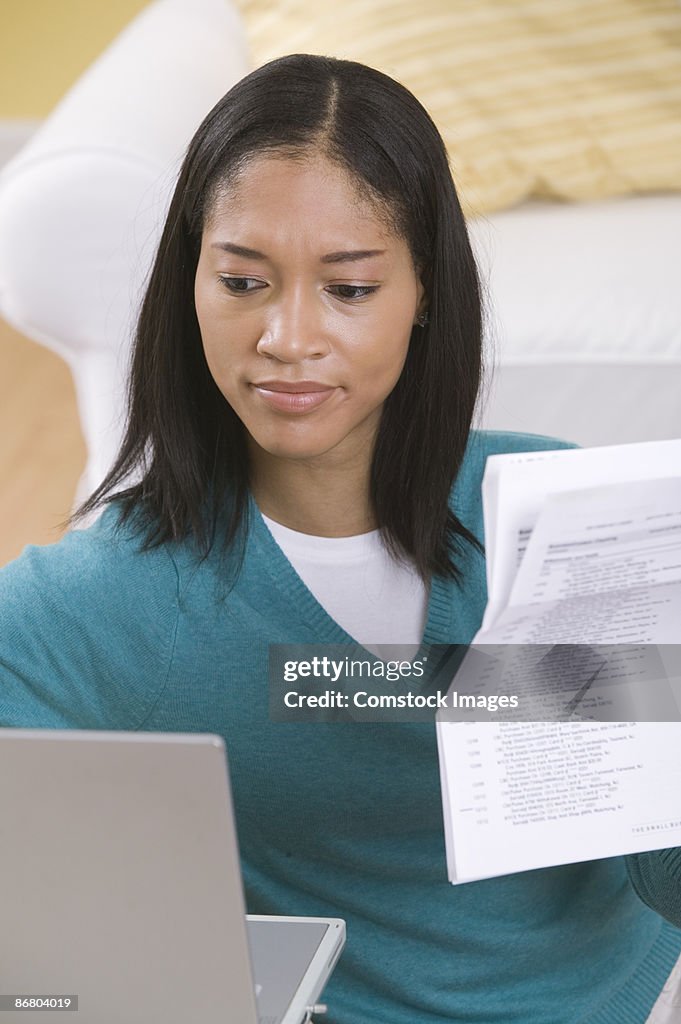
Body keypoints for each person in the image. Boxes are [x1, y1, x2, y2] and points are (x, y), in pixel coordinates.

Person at [1, 53, 681, 1024]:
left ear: (424, 292)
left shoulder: (556, 517)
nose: (287, 335)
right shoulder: (115, 597)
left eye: (349, 289)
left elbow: (666, 874)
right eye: (242, 280)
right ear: (188, 282)